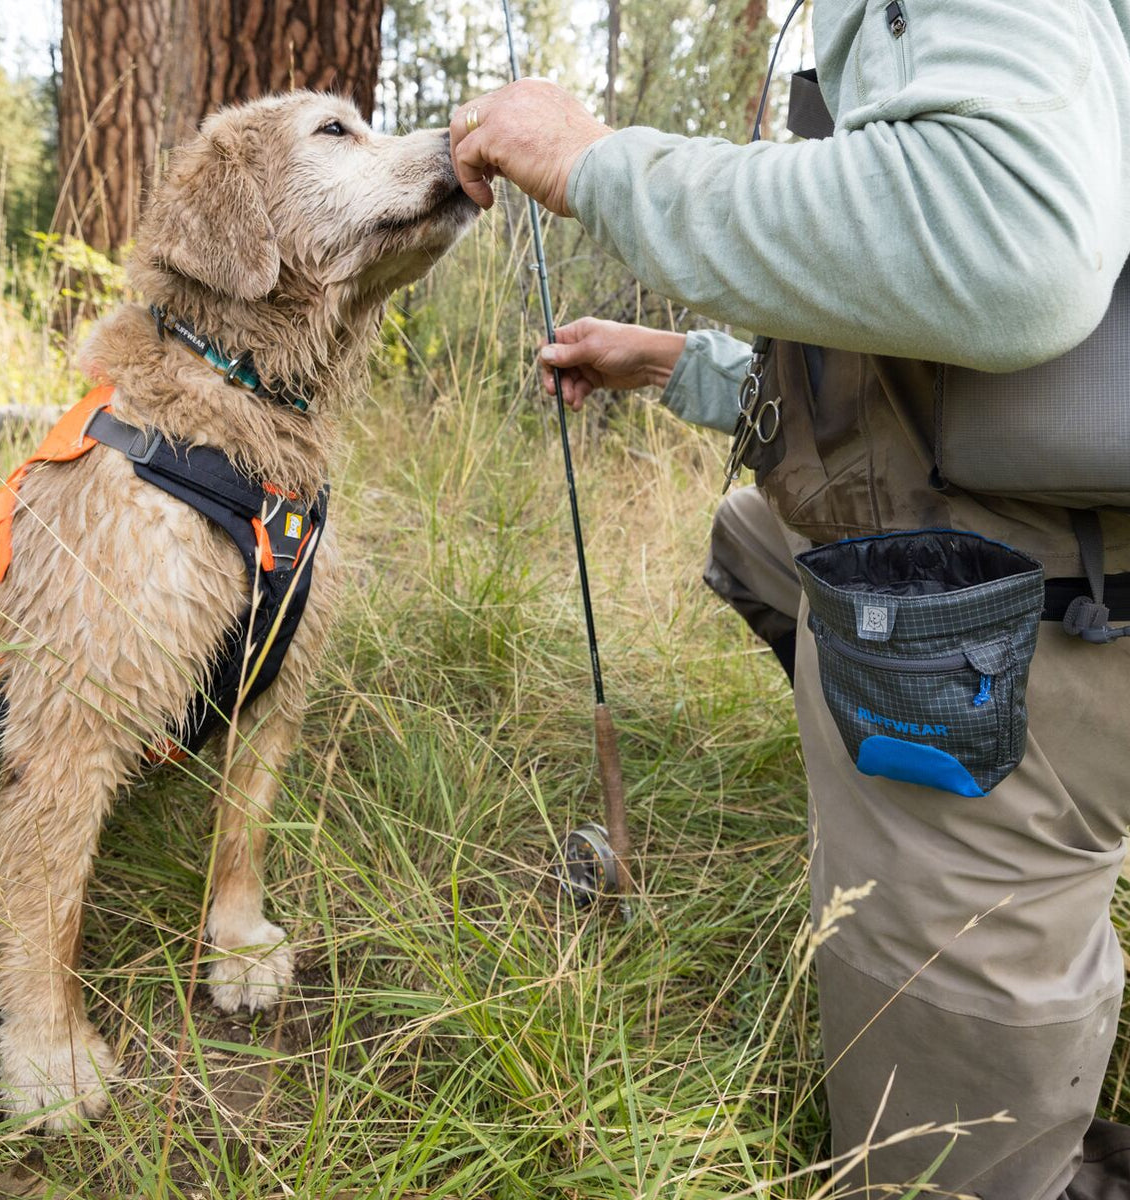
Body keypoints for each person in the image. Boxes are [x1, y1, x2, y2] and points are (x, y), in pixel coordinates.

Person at [447, 4, 1130, 1198]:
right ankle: (891, 806)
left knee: (926, 1178)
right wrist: (673, 364)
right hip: (1046, 551)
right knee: (758, 538)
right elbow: (894, 366)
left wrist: (597, 162)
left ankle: (963, 877)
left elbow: (1005, 241)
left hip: (1025, 613)